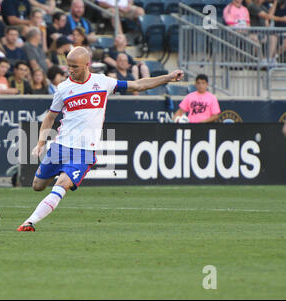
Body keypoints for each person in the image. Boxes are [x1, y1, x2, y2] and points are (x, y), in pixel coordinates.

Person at [16, 46, 184, 231]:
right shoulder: (63, 88)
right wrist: (40, 143)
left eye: (74, 66)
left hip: (84, 151)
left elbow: (138, 85)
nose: (70, 70)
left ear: (87, 65)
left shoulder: (103, 82)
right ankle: (61, 174)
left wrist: (168, 78)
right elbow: (50, 117)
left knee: (62, 185)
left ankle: (29, 222)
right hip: (60, 145)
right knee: (37, 186)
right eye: (68, 66)